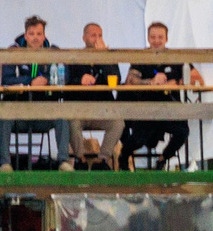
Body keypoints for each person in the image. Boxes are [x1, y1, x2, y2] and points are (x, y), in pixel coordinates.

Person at [0, 17, 73, 169]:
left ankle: (63, 162)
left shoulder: (54, 51)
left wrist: (46, 79)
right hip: (18, 112)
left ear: (44, 36)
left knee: (62, 117)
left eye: (39, 34)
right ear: (25, 35)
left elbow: (65, 76)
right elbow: (6, 79)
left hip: (44, 113)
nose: (35, 38)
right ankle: (5, 164)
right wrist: (30, 82)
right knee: (3, 116)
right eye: (31, 34)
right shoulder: (13, 52)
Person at [116, 21, 188, 169]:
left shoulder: (175, 57)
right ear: (148, 38)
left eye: (160, 37)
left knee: (183, 131)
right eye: (153, 37)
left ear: (166, 39)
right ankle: (124, 155)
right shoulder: (141, 57)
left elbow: (195, 77)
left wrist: (175, 82)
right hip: (145, 109)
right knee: (138, 140)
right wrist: (151, 82)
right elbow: (130, 80)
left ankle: (163, 158)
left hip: (169, 109)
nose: (156, 41)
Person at [64, 22, 122, 170]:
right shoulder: (74, 57)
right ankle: (80, 159)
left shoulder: (108, 57)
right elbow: (65, 82)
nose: (97, 38)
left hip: (102, 110)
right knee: (71, 122)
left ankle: (102, 159)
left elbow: (116, 79)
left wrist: (104, 58)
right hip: (79, 109)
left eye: (100, 35)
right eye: (93, 35)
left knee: (118, 123)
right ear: (84, 38)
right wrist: (79, 81)